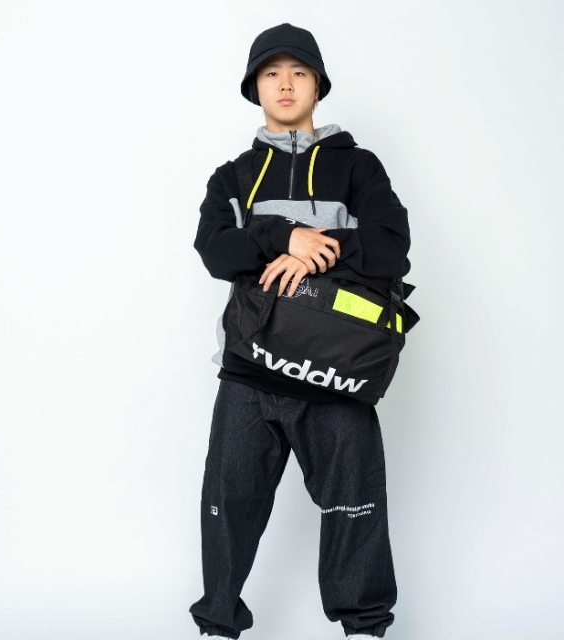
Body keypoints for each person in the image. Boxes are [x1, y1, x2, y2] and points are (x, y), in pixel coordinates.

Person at [189, 23, 411, 639]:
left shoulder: (357, 167)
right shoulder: (233, 177)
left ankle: (363, 628)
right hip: (249, 371)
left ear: (317, 85)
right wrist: (281, 237)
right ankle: (217, 626)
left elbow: (392, 246)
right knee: (228, 506)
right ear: (254, 87)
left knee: (355, 507)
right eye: (271, 73)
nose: (285, 84)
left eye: (298, 73)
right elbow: (214, 250)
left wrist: (318, 251)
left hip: (337, 371)